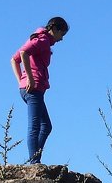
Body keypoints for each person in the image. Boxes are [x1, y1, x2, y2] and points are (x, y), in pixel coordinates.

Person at [10, 16, 68, 164]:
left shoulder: (38, 39)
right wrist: (28, 78)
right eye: (62, 34)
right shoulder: (42, 41)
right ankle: (34, 163)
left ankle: (35, 159)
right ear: (54, 29)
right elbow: (23, 53)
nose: (61, 39)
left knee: (46, 126)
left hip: (31, 89)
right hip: (33, 89)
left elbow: (14, 59)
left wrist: (21, 81)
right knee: (35, 126)